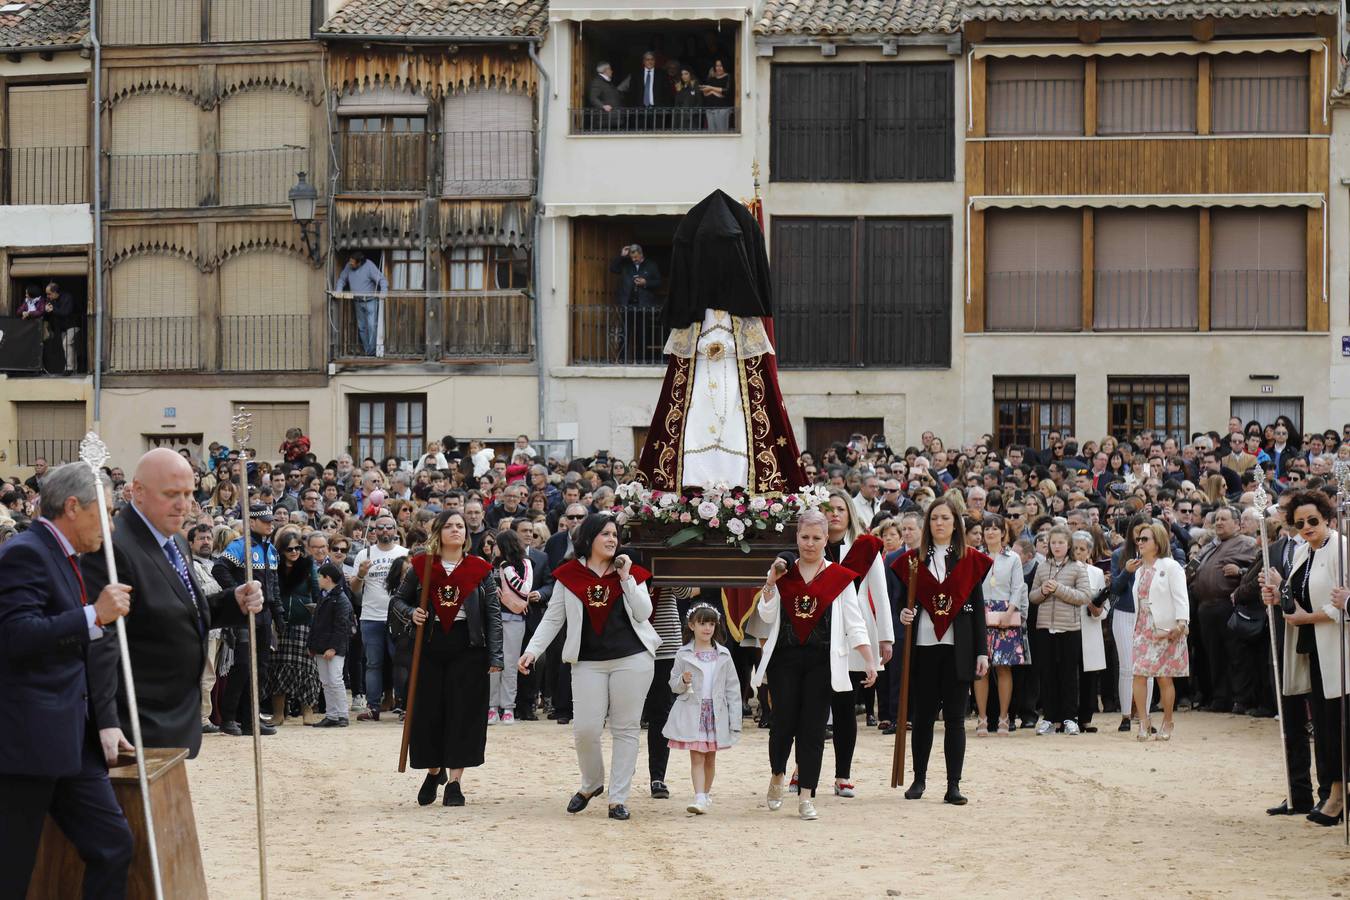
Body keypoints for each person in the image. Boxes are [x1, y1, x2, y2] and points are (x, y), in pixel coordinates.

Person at [0, 463, 135, 899]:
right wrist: (92, 615)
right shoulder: (26, 552)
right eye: (107, 512)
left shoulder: (63, 555)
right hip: (24, 743)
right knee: (12, 869)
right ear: (73, 506)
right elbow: (14, 635)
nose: (111, 526)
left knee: (113, 844)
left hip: (71, 740)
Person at [84, 448, 264, 758]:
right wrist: (107, 719)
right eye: (171, 494)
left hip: (173, 717)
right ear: (138, 492)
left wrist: (232, 602)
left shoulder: (176, 539)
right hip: (136, 723)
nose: (183, 504)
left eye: (188, 493)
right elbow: (101, 641)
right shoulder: (114, 548)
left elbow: (182, 609)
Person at [635, 190, 805, 492]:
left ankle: (740, 483)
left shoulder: (745, 319)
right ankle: (691, 482)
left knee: (740, 429)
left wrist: (726, 347)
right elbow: (681, 363)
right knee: (693, 423)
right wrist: (706, 347)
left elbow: (755, 361)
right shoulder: (691, 317)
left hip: (732, 383)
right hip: (701, 378)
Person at [519, 514, 658, 822]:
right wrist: (532, 651)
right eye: (605, 534)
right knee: (585, 730)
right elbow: (554, 618)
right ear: (589, 538)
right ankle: (592, 783)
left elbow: (644, 611)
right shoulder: (569, 575)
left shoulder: (629, 571)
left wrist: (626, 578)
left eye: (615, 535)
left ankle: (618, 798)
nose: (612, 539)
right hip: (587, 663)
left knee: (626, 729)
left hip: (632, 659)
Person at [752, 509, 876, 821]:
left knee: (813, 729)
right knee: (783, 724)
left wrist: (869, 658)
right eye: (804, 537)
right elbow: (766, 616)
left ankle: (807, 795)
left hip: (822, 662)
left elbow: (854, 621)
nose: (809, 543)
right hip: (785, 660)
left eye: (816, 538)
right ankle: (778, 774)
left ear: (825, 540)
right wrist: (769, 584)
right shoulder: (784, 573)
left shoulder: (839, 578)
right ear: (796, 538)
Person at [392, 510, 502, 807]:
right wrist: (410, 613)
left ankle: (454, 782)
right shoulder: (422, 566)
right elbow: (398, 600)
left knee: (463, 713)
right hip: (429, 645)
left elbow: (492, 613)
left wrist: (496, 654)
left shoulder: (480, 568)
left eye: (461, 526)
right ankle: (433, 771)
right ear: (438, 532)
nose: (456, 530)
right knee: (429, 713)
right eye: (450, 526)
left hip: (468, 647)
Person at [892, 496, 991, 805]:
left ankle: (953, 785)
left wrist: (982, 651)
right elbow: (902, 603)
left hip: (957, 647)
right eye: (934, 518)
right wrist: (903, 614)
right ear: (927, 524)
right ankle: (919, 779)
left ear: (955, 523)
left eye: (946, 518)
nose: (939, 523)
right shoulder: (913, 560)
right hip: (923, 646)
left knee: (955, 720)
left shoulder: (969, 560)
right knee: (922, 718)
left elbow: (977, 611)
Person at [1262, 490, 1350, 825]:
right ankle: (1331, 793)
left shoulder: (1341, 547)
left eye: (1313, 521)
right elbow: (1295, 594)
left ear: (1327, 518)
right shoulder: (1303, 552)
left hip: (1339, 648)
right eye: (1300, 523)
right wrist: (1277, 594)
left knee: (1338, 724)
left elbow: (1340, 602)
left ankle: (1338, 797)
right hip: (1312, 648)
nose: (1307, 527)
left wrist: (1305, 618)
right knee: (1325, 727)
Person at [212, 505, 284, 738]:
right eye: (264, 521)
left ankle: (250, 719)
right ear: (251, 523)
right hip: (245, 615)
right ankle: (229, 717)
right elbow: (219, 569)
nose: (270, 524)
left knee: (261, 669)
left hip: (265, 615)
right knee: (243, 666)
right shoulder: (240, 546)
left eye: (271, 520)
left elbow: (273, 587)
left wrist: (279, 617)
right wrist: (236, 594)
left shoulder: (271, 550)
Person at [663, 603, 742, 815]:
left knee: (710, 757)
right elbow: (673, 684)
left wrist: (735, 721)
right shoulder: (683, 653)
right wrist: (682, 680)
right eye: (702, 623)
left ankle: (705, 795)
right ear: (692, 625)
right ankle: (698, 796)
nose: (707, 628)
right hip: (693, 712)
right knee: (697, 755)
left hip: (716, 713)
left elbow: (732, 689)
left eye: (711, 624)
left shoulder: (723, 654)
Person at [1131, 518, 1191, 742]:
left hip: (1166, 627)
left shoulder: (1171, 566)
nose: (1140, 542)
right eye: (1138, 539)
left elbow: (1181, 597)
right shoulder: (1138, 571)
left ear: (1157, 542)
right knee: (1138, 674)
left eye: (1145, 539)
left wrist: (1182, 623)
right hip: (1142, 627)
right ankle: (1144, 722)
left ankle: (1167, 721)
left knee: (1164, 678)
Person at [1030, 524, 1092, 735]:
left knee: (1068, 675)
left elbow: (1084, 596)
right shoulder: (1041, 567)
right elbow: (1032, 597)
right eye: (1053, 543)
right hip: (1045, 627)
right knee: (1047, 674)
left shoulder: (1077, 568)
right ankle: (1049, 718)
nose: (1057, 546)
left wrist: (1059, 589)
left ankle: (1069, 718)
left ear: (1069, 545)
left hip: (1069, 628)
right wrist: (1043, 591)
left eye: (1061, 543)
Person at [974, 513, 1028, 737]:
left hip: (1006, 613)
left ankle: (1004, 717)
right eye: (987, 528)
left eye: (996, 528)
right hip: (980, 612)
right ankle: (982, 718)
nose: (991, 532)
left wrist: (1010, 611)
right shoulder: (975, 555)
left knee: (1004, 668)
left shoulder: (1013, 558)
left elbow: (1018, 587)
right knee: (980, 669)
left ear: (1004, 532)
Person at [351, 514, 409, 721]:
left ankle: (404, 706)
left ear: (395, 530)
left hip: (399, 617)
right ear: (374, 530)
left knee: (401, 663)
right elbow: (355, 590)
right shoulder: (364, 554)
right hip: (370, 616)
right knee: (373, 663)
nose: (385, 531)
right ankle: (372, 707)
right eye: (380, 527)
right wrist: (360, 574)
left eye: (389, 527)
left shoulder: (405, 553)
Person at [1109, 514, 1158, 733]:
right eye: (1137, 533)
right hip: (1124, 613)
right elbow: (1115, 589)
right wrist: (1126, 572)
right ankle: (1126, 715)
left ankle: (1145, 716)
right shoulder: (1120, 554)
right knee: (1127, 667)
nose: (1140, 538)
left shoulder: (1158, 558)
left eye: (1144, 534)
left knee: (1147, 668)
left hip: (1148, 615)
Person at [269, 530, 322, 726]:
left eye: (297, 548)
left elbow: (316, 592)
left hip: (304, 622)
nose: (294, 552)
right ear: (282, 550)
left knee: (307, 668)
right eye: (289, 548)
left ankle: (307, 712)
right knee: (278, 668)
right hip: (280, 622)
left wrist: (317, 616)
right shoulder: (274, 567)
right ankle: (278, 714)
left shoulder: (308, 566)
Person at [489, 529, 532, 725]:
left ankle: (508, 707)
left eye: (496, 544)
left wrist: (505, 568)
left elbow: (524, 589)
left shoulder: (524, 563)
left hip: (514, 618)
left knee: (511, 663)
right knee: (493, 664)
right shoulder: (493, 565)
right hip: (493, 618)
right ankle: (492, 706)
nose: (493, 548)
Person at [309, 561, 354, 728]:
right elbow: (316, 623)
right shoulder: (325, 596)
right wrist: (312, 645)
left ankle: (342, 714)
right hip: (322, 645)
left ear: (327, 578)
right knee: (326, 681)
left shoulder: (340, 600)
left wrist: (334, 647)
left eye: (320, 576)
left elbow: (342, 626)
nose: (318, 579)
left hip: (333, 647)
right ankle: (332, 714)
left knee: (335, 679)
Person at [610, 244, 661, 365]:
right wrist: (622, 256)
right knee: (625, 333)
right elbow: (613, 269)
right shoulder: (626, 264)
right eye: (632, 257)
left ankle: (641, 360)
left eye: (636, 257)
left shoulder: (651, 265)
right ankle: (622, 359)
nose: (634, 260)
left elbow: (658, 283)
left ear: (641, 254)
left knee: (642, 334)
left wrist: (645, 282)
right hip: (627, 305)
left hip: (644, 306)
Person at [334, 251, 389, 356]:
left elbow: (382, 280)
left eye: (352, 263)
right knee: (362, 327)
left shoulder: (369, 266)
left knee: (372, 326)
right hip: (358, 301)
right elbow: (342, 279)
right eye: (350, 262)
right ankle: (368, 351)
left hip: (370, 301)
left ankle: (372, 352)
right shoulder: (348, 266)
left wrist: (383, 292)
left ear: (359, 263)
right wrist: (338, 290)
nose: (350, 264)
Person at [44, 281, 82, 375]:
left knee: (67, 344)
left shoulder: (67, 297)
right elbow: (48, 316)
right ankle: (74, 368)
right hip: (62, 327)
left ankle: (69, 368)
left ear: (56, 292)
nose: (48, 296)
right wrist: (46, 311)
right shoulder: (50, 301)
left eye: (49, 294)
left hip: (73, 324)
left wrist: (53, 310)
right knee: (68, 347)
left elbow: (66, 312)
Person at [586, 61, 623, 129]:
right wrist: (603, 106)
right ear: (606, 70)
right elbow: (593, 98)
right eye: (610, 69)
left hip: (611, 120)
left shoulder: (608, 82)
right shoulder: (597, 82)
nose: (612, 71)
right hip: (604, 120)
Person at [701, 58, 734, 132]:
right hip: (710, 109)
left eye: (721, 66)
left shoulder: (728, 76)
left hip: (722, 109)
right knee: (712, 134)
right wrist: (715, 92)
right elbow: (705, 93)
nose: (718, 68)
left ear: (725, 66)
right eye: (717, 66)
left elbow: (726, 92)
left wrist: (711, 89)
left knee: (722, 133)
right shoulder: (711, 78)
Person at [672, 65, 702, 130]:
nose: (684, 76)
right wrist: (678, 91)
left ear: (690, 74)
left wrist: (691, 115)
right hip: (680, 119)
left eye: (686, 74)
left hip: (692, 120)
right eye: (682, 74)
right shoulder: (681, 88)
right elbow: (677, 104)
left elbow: (700, 103)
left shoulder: (696, 85)